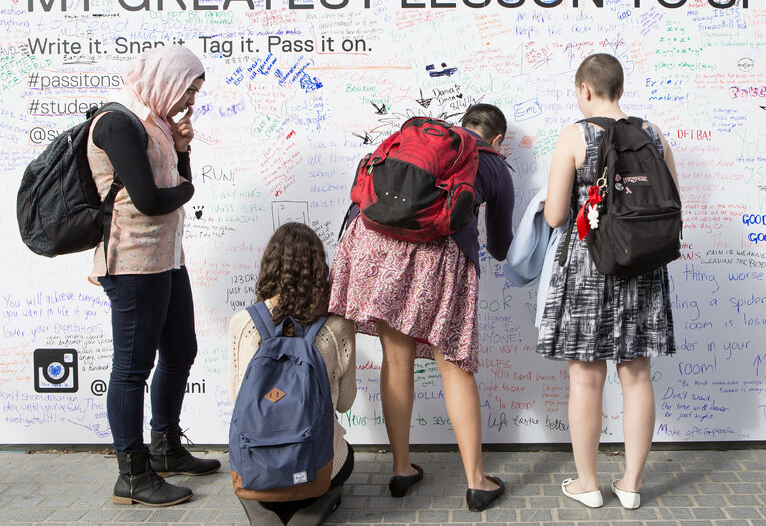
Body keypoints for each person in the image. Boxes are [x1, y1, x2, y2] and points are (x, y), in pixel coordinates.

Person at [329, 103, 514, 512]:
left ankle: (401, 469)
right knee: (454, 366)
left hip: (378, 244)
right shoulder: (495, 165)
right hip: (440, 258)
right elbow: (500, 248)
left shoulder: (422, 145)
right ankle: (476, 481)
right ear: (496, 139)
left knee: (397, 360)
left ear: (461, 127)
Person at [537, 53, 678, 510]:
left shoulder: (575, 135)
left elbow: (557, 215)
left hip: (589, 266)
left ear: (585, 90)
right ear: (619, 88)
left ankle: (587, 484)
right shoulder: (653, 134)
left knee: (585, 378)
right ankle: (632, 485)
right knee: (637, 376)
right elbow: (671, 203)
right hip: (643, 265)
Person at [88, 44, 220, 507]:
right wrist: (186, 189)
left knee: (181, 349)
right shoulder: (117, 122)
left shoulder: (159, 125)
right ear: (169, 78)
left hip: (167, 257)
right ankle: (132, 473)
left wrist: (182, 153)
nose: (191, 103)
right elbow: (150, 199)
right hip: (132, 263)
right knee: (131, 368)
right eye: (190, 90)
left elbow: (176, 186)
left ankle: (165, 448)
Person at [229, 222, 356, 526]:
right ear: (319, 268)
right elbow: (345, 403)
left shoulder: (242, 323)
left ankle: (262, 507)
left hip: (256, 472)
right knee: (345, 454)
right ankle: (316, 503)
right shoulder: (337, 326)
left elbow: (238, 398)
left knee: (251, 472)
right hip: (317, 468)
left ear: (269, 266)